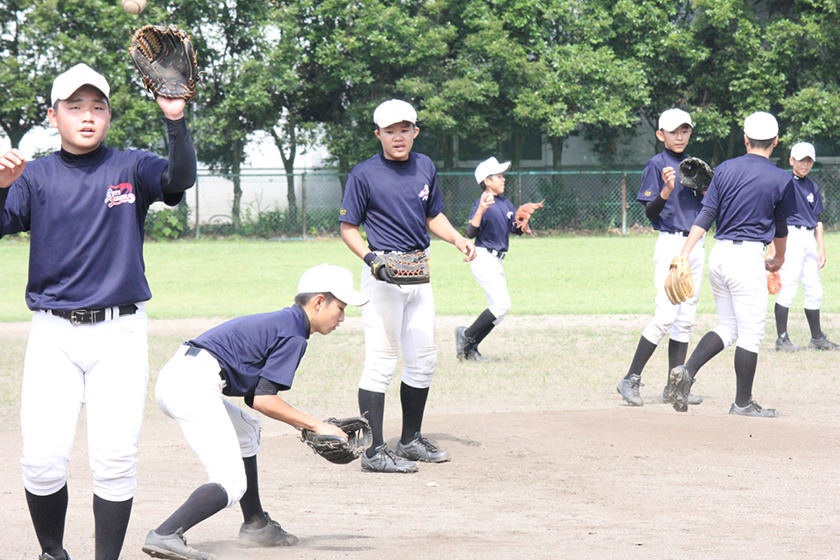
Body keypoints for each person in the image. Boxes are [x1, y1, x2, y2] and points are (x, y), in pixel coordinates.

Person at [0, 63, 196, 560]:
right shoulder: (34, 174)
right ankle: (53, 552)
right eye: (74, 107)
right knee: (42, 461)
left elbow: (180, 180)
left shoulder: (130, 166)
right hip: (53, 334)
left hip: (120, 333)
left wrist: (175, 119)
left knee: (114, 460)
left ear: (109, 114)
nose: (87, 117)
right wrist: (2, 187)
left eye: (97, 107)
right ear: (53, 115)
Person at [142, 263, 367, 560]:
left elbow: (254, 398)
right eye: (340, 307)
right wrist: (316, 425)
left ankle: (256, 524)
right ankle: (166, 533)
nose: (342, 317)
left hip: (181, 374)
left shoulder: (285, 323)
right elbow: (265, 400)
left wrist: (308, 425)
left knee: (246, 429)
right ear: (318, 302)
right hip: (193, 383)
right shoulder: (294, 334)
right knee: (230, 482)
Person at [339, 99, 476, 473]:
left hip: (419, 273)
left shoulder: (425, 166)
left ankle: (411, 440)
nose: (397, 137)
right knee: (381, 363)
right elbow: (348, 228)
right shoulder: (364, 174)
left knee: (423, 360)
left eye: (404, 129)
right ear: (378, 134)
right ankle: (373, 452)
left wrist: (458, 239)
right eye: (389, 130)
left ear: (415, 131)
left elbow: (433, 215)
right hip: (382, 274)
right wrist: (371, 260)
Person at [667, 111, 797, 417]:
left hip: (719, 255)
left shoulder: (725, 169)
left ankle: (687, 369)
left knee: (728, 327)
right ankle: (742, 403)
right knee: (750, 333)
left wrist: (683, 253)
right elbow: (780, 228)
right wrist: (779, 258)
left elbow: (706, 213)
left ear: (745, 139)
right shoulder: (782, 179)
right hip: (747, 258)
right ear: (776, 142)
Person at [616, 108, 705, 407]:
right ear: (660, 135)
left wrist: (706, 189)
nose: (679, 136)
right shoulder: (656, 164)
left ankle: (674, 387)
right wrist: (666, 190)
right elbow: (650, 214)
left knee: (686, 319)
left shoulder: (696, 166)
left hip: (696, 245)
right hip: (669, 244)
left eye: (685, 130)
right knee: (667, 314)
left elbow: (708, 210)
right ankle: (630, 378)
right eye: (673, 131)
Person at [770, 142, 839, 352]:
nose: (805, 164)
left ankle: (817, 337)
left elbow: (817, 219)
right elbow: (774, 215)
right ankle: (782, 338)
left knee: (814, 287)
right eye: (801, 160)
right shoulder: (783, 182)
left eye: (809, 160)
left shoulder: (812, 187)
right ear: (791, 160)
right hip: (789, 236)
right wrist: (773, 247)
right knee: (788, 285)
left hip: (808, 237)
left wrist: (821, 248)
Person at [455, 156, 524, 361]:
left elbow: (515, 229)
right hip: (482, 256)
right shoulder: (482, 203)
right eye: (499, 176)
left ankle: (470, 348)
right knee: (501, 305)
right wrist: (481, 210)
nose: (504, 179)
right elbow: (469, 232)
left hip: (496, 260)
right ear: (487, 181)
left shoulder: (505, 203)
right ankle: (466, 336)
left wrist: (523, 222)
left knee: (500, 310)